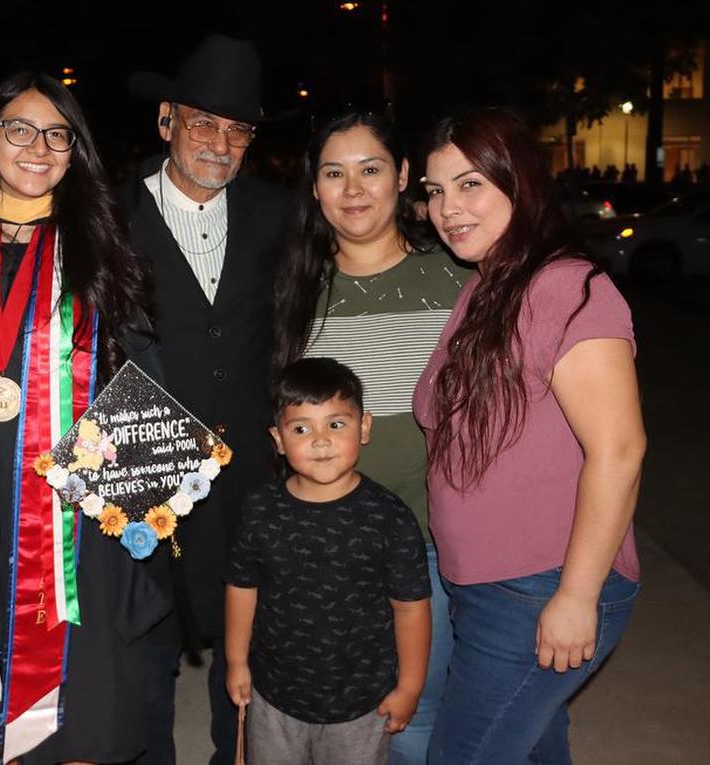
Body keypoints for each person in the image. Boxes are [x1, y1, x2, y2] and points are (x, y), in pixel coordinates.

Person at [0, 71, 169, 765]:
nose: (38, 146)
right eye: (19, 130)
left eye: (56, 134)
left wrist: (137, 514)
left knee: (84, 710)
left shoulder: (102, 248)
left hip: (75, 518)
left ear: (74, 151)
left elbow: (144, 377)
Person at [415, 107, 645, 763]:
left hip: (539, 587)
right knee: (537, 748)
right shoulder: (487, 284)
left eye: (469, 184)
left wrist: (577, 596)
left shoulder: (568, 287)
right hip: (483, 586)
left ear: (519, 181)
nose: (447, 208)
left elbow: (620, 450)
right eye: (434, 191)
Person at [271, 109, 471, 764]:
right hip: (330, 548)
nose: (353, 190)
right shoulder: (292, 288)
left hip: (433, 543)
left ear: (403, 177)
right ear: (315, 186)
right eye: (334, 173)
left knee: (416, 716)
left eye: (371, 169)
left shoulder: (458, 278)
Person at [122, 34, 292, 764]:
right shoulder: (107, 210)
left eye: (237, 130)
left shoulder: (277, 212)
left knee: (245, 640)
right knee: (148, 643)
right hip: (146, 465)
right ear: (167, 121)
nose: (221, 144)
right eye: (204, 123)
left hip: (253, 465)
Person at [225, 358, 431, 765]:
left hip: (360, 703)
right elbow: (242, 586)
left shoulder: (388, 518)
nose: (320, 440)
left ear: (364, 427)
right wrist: (235, 661)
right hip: (275, 697)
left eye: (336, 424)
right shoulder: (260, 509)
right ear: (278, 439)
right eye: (301, 428)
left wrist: (410, 688)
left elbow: (411, 607)